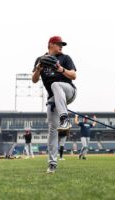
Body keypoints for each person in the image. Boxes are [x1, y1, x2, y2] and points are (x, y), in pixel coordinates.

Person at [32, 36, 77, 173]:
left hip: (69, 91)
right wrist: (39, 68)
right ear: (51, 44)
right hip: (53, 97)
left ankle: (64, 118)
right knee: (52, 128)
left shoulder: (65, 58)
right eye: (58, 44)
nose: (61, 46)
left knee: (55, 84)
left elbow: (73, 76)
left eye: (62, 44)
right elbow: (34, 80)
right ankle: (52, 163)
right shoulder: (40, 59)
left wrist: (60, 69)